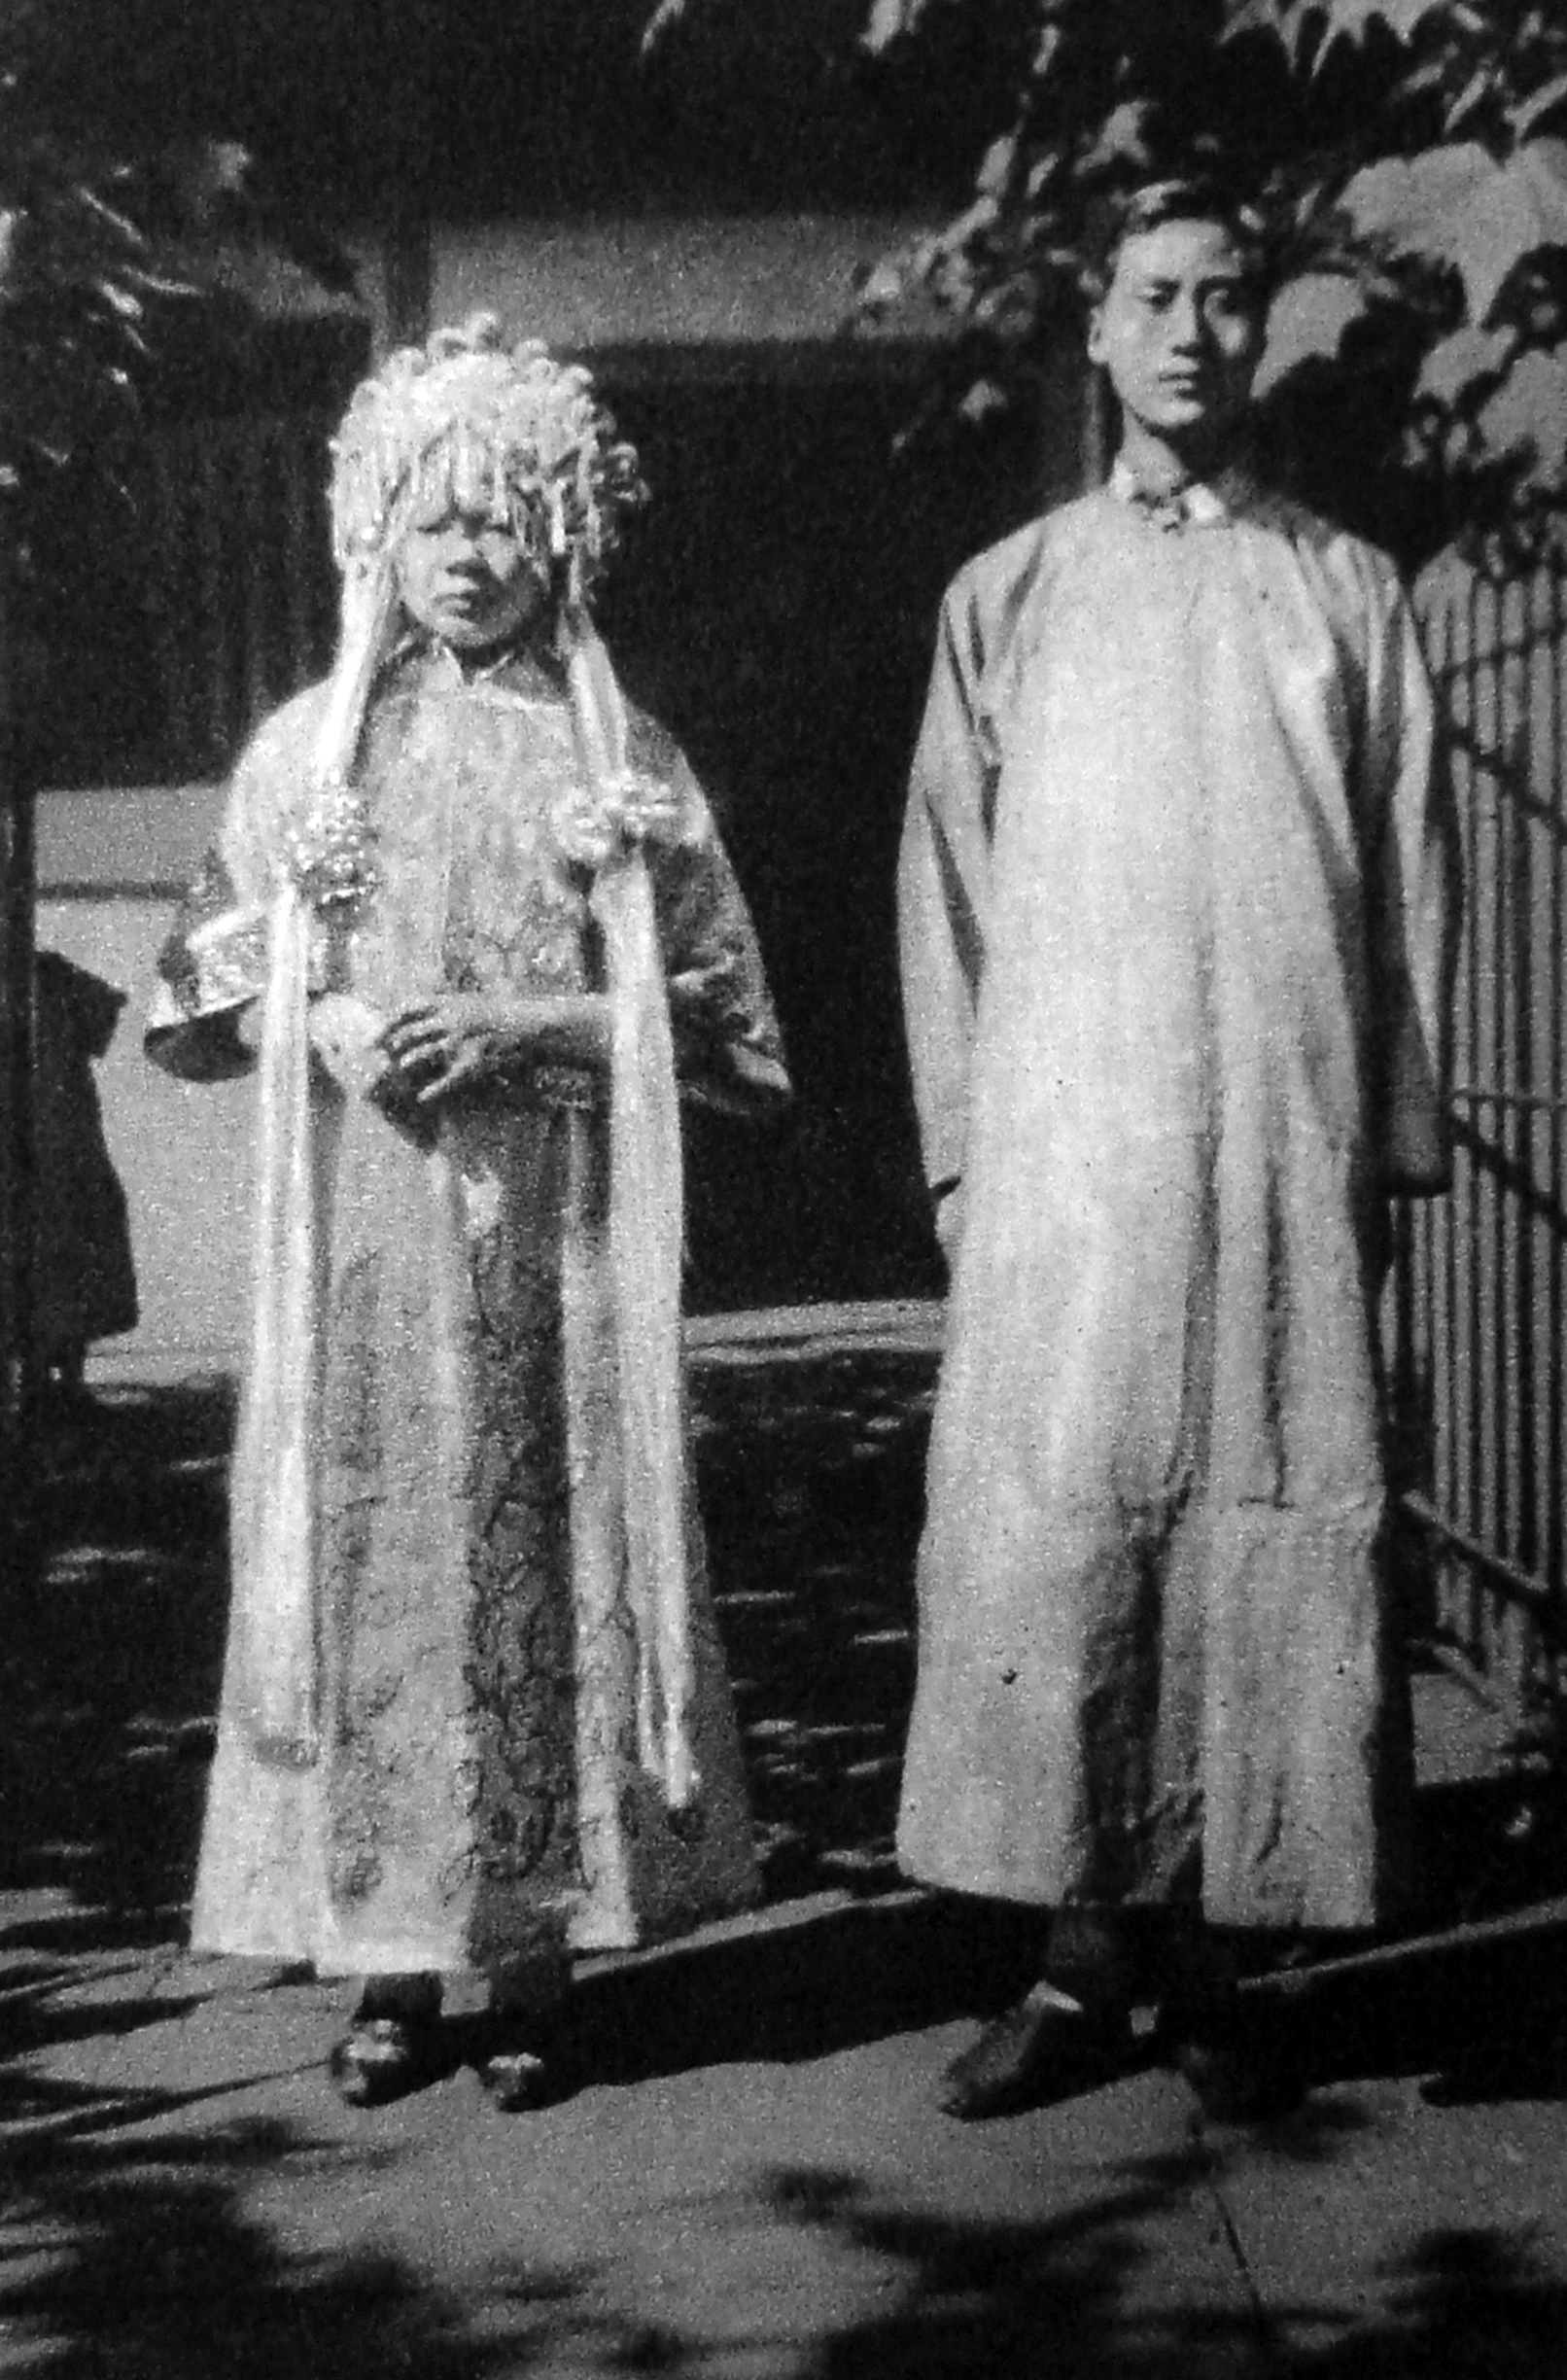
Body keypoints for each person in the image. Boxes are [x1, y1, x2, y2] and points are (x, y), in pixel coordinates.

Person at [148, 316, 788, 2108]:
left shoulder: (619, 758)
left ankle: (529, 1956)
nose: (469, 552)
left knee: (538, 1555)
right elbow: (194, 994)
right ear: (376, 528)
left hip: (548, 1237)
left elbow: (730, 1026)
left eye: (505, 515)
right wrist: (320, 1016)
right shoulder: (308, 752)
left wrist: (531, 1026)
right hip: (364, 1238)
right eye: (434, 516)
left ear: (563, 532)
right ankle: (386, 1961)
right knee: (376, 1564)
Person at [895, 179, 1458, 2119]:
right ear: (1096, 325)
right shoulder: (1010, 592)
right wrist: (968, 1160)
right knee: (1078, 1526)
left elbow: (1408, 887)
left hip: (1287, 1144)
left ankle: (1224, 1954)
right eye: (1153, 296)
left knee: (1261, 1515)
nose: (1190, 332)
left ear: (1258, 327)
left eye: (1224, 297)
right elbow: (945, 893)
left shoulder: (1346, 592)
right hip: (1075, 1159)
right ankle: (1077, 1960)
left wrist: (1390, 1146)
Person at [34, 948, 139, 1407]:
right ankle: (52, 1377)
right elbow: (103, 1020)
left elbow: (103, 1021)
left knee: (73, 1237)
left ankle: (61, 1376)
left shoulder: (52, 974)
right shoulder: (53, 974)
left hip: (64, 1136)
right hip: (53, 1138)